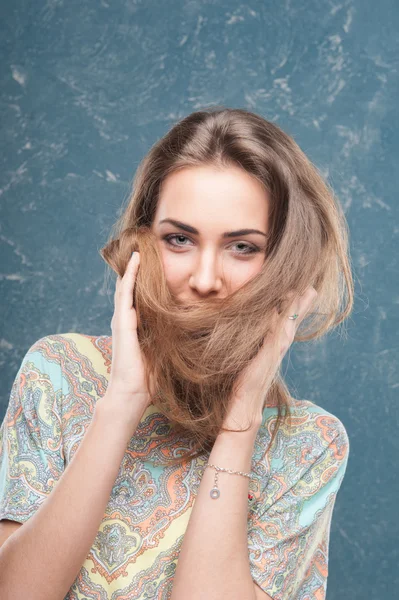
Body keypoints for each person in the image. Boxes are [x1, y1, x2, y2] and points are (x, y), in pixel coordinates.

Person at [0, 107, 352, 600]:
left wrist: (240, 422)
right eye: (179, 240)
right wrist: (122, 401)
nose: (205, 280)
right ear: (144, 242)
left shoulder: (309, 445)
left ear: (286, 263)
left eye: (242, 247)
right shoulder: (58, 375)